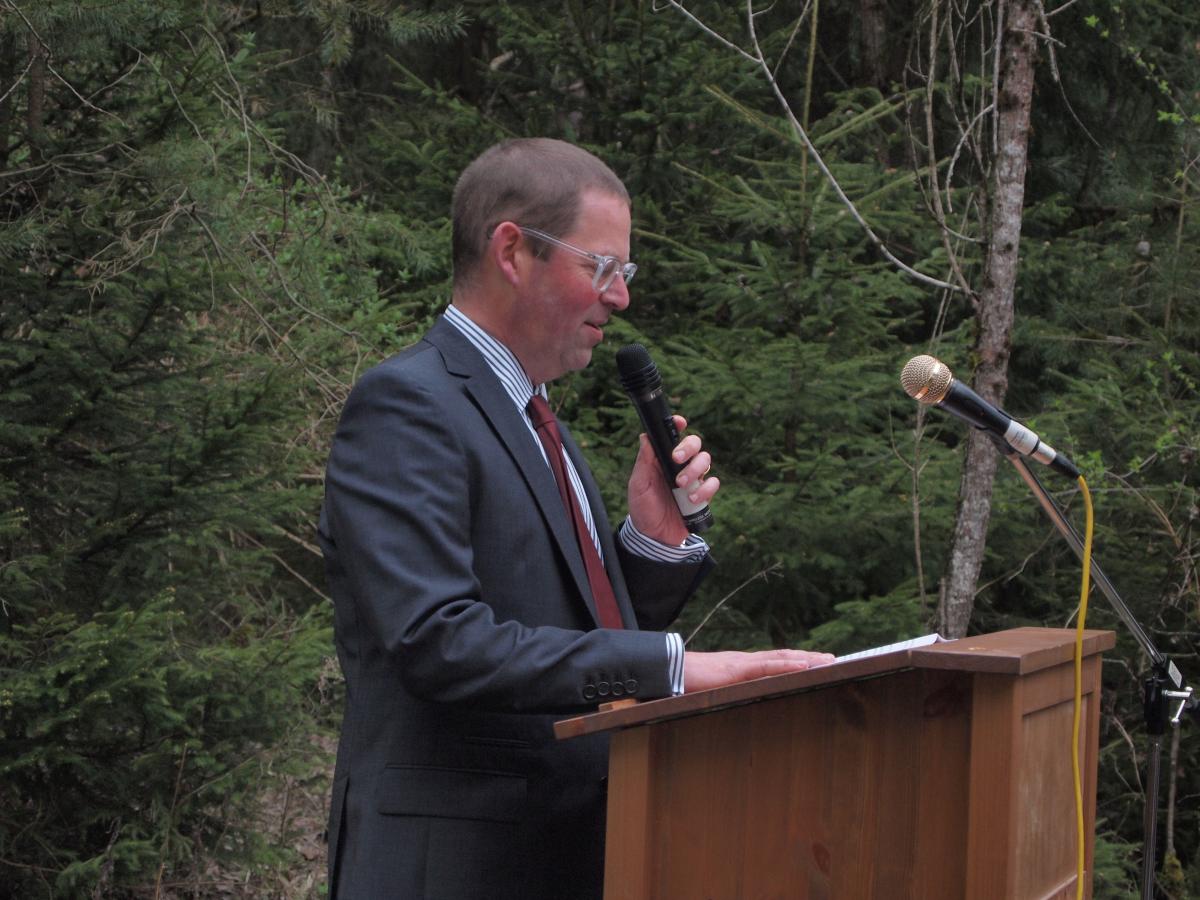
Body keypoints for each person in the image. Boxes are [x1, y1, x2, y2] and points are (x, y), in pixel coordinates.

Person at [318, 137, 832, 900]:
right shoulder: (408, 406)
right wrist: (676, 669)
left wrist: (650, 545)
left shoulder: (534, 415)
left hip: (570, 850)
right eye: (601, 267)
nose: (620, 296)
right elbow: (438, 641)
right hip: (455, 865)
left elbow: (564, 621)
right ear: (513, 251)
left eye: (624, 272)